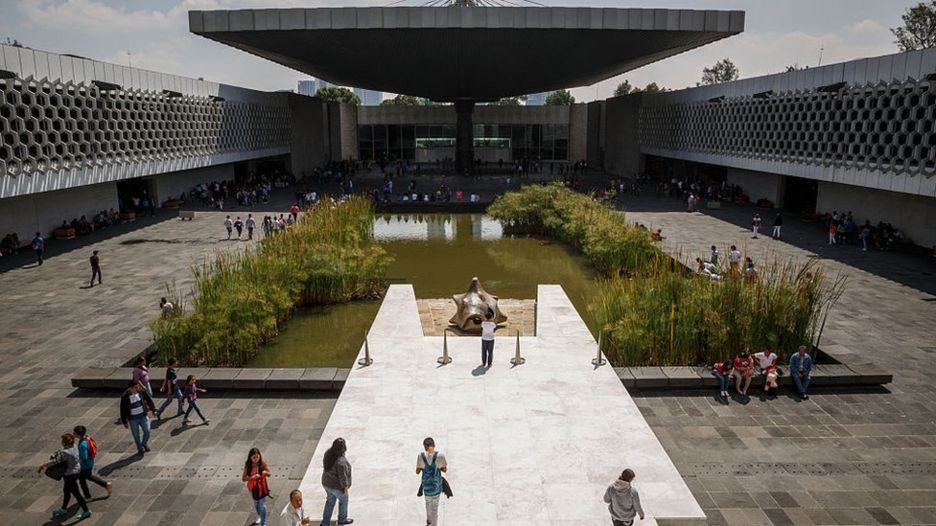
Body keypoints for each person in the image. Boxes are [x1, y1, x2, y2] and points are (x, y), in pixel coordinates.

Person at [38, 433, 92, 520]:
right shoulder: (74, 446)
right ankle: (63, 508)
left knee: (76, 494)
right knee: (66, 491)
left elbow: (55, 461)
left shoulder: (65, 452)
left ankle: (86, 511)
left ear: (64, 442)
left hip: (70, 474)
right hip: (76, 470)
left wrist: (43, 465)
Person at [321, 438, 354, 525]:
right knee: (344, 500)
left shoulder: (328, 453)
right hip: (336, 486)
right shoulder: (341, 462)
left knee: (330, 502)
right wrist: (345, 489)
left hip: (326, 483)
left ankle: (325, 523)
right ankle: (342, 519)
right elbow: (343, 477)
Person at [73, 425, 111, 500]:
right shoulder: (86, 438)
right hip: (90, 462)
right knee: (86, 477)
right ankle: (104, 485)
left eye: (74, 432)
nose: (73, 433)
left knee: (83, 479)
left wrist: (77, 460)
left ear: (78, 434)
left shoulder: (82, 445)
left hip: (85, 465)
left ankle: (88, 496)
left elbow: (84, 457)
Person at [416, 437, 447, 526]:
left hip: (426, 487)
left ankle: (429, 520)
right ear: (434, 445)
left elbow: (417, 472)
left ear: (425, 447)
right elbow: (445, 470)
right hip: (436, 487)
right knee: (435, 509)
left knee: (428, 504)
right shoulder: (440, 456)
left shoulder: (421, 457)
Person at [120, 381, 156, 454]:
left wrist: (153, 409)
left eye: (138, 387)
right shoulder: (125, 396)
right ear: (131, 388)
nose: (138, 388)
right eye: (136, 387)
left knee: (147, 431)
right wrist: (125, 422)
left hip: (143, 416)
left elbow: (149, 400)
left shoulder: (141, 392)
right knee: (136, 435)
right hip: (133, 419)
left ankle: (143, 444)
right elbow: (122, 409)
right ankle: (140, 447)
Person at [243, 447, 272, 526]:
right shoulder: (248, 465)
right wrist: (251, 478)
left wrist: (265, 472)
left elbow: (269, 474)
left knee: (262, 505)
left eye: (257, 457)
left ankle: (263, 523)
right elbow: (244, 478)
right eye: (254, 457)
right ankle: (259, 515)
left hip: (262, 487)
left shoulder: (262, 463)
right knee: (256, 504)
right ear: (250, 457)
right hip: (252, 488)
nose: (256, 459)